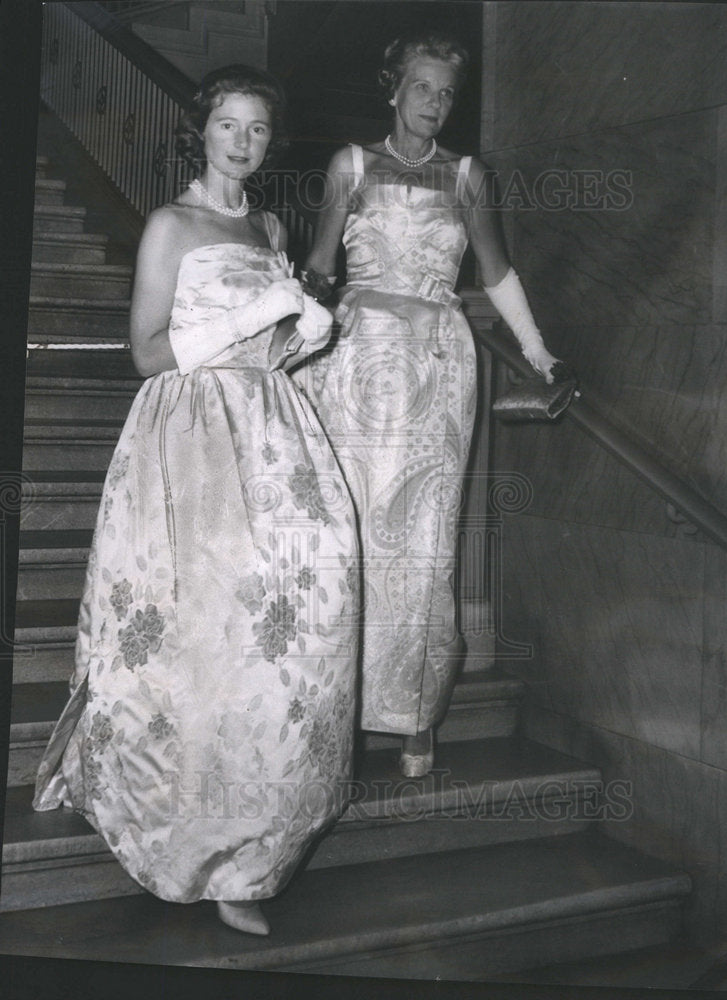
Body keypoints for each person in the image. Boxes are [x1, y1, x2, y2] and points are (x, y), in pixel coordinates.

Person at [32, 65, 359, 936]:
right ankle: (205, 846)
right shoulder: (170, 225)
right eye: (229, 126)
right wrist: (246, 325)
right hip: (191, 439)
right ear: (201, 131)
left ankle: (258, 838)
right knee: (204, 632)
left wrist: (303, 334)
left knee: (296, 624)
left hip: (275, 434)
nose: (244, 142)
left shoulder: (271, 224)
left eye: (258, 129)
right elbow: (146, 353)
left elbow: (271, 349)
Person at [300, 31, 562, 778]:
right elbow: (320, 271)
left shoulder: (470, 176)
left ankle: (415, 718)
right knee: (348, 537)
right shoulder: (349, 166)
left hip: (439, 368)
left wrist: (540, 354)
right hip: (354, 365)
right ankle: (340, 712)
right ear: (394, 88)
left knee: (424, 544)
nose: (435, 105)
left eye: (446, 93)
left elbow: (498, 274)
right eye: (423, 88)